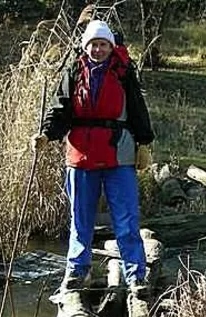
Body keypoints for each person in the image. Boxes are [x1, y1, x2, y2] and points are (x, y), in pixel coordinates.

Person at [31, 19, 155, 294]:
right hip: (81, 155)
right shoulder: (74, 71)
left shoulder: (123, 72)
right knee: (80, 219)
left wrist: (144, 142)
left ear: (111, 46)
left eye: (103, 45)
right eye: (93, 45)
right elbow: (60, 108)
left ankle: (135, 275)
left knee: (126, 219)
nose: (98, 50)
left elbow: (136, 107)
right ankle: (77, 272)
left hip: (118, 154)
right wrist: (46, 134)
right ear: (85, 47)